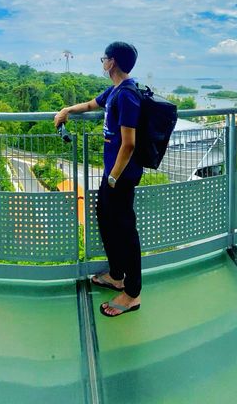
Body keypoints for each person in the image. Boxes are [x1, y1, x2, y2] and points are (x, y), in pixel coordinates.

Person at [54, 41, 142, 318]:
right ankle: (116, 275)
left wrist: (114, 177)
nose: (102, 62)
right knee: (105, 219)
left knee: (126, 232)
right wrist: (67, 110)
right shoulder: (115, 91)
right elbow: (93, 103)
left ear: (112, 62)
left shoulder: (127, 95)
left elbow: (128, 144)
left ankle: (132, 294)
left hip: (121, 177)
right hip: (112, 176)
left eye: (104, 58)